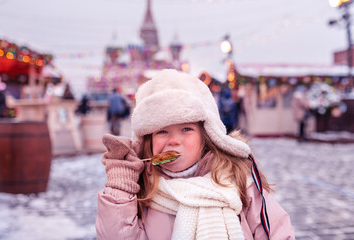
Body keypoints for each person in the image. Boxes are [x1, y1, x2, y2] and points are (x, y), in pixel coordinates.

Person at [96, 69, 295, 240]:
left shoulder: (238, 181)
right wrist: (120, 189)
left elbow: (276, 232)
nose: (173, 140)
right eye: (162, 131)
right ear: (148, 140)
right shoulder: (142, 190)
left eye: (186, 129)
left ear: (206, 137)